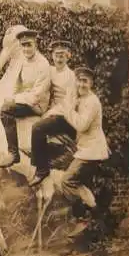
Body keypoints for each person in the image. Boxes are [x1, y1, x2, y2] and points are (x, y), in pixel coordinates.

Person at [58, 66, 110, 237]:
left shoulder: (92, 102)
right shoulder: (81, 99)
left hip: (91, 152)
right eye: (79, 80)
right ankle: (98, 218)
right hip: (86, 149)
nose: (81, 84)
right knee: (79, 184)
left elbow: (81, 125)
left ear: (91, 83)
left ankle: (82, 217)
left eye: (85, 81)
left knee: (67, 181)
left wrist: (67, 111)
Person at [0, 28, 51, 168]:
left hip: (37, 104)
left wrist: (15, 100)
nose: (26, 49)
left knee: (5, 110)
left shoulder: (43, 64)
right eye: (23, 45)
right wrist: (12, 96)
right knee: (5, 104)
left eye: (29, 45)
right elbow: (17, 84)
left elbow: (36, 95)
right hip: (25, 100)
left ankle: (14, 153)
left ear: (36, 44)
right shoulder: (23, 61)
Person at [29, 40, 77, 187]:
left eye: (62, 55)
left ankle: (42, 170)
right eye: (56, 55)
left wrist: (49, 113)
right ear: (52, 56)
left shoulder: (71, 76)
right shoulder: (50, 71)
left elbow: (70, 103)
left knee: (37, 128)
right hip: (54, 111)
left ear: (68, 56)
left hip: (66, 116)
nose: (59, 59)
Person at [0, 25, 32, 162]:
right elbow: (1, 62)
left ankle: (12, 152)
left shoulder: (28, 58)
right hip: (12, 74)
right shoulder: (12, 39)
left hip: (18, 80)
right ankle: (6, 150)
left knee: (2, 110)